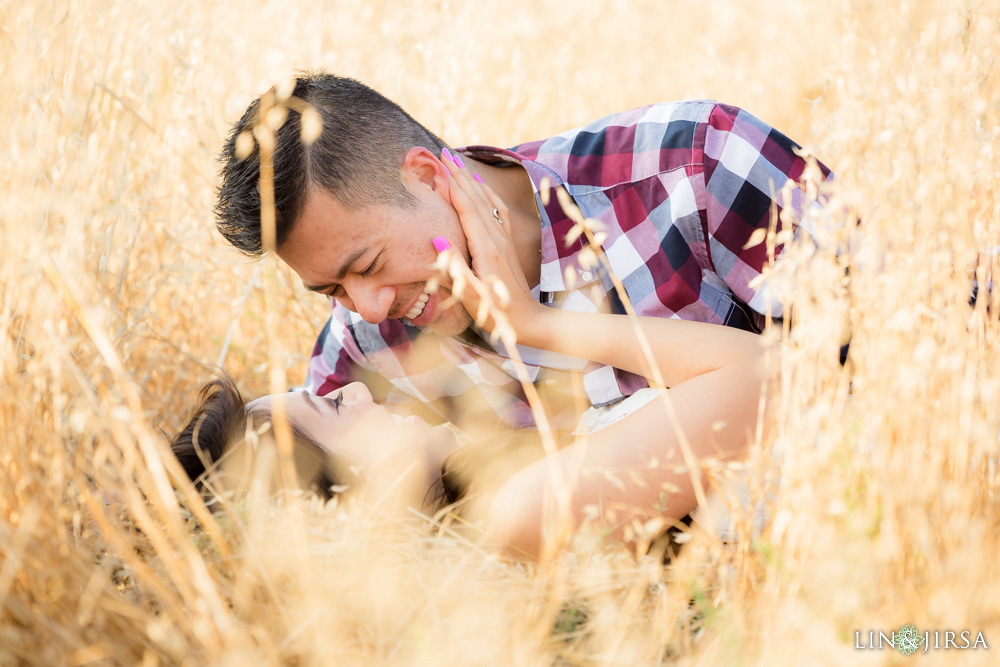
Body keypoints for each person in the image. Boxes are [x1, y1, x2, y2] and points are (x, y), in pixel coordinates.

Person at [177, 168, 783, 559]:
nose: (357, 391)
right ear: (353, 498)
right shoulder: (519, 513)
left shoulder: (508, 499)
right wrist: (534, 324)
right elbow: (777, 376)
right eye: (332, 404)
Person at [215, 73, 831, 434]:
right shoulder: (362, 354)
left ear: (429, 177)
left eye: (369, 265)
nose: (369, 309)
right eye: (332, 291)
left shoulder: (697, 165)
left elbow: (894, 361)